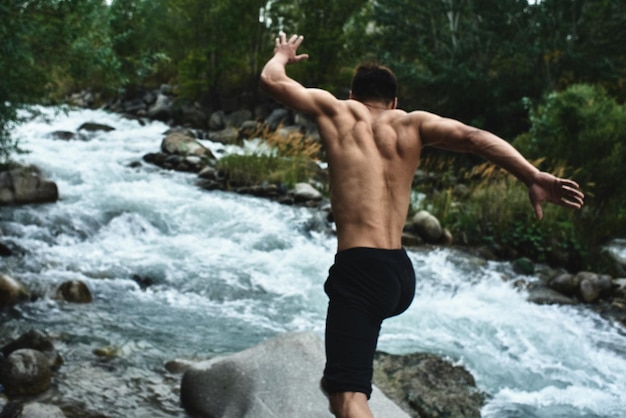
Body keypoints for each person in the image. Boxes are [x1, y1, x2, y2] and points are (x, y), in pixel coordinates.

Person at [259, 33, 584, 418]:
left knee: (349, 397)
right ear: (394, 102)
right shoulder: (412, 123)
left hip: (360, 270)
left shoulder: (338, 111)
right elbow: (474, 138)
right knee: (339, 386)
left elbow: (273, 81)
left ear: (351, 94)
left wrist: (282, 55)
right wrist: (531, 174)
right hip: (398, 274)